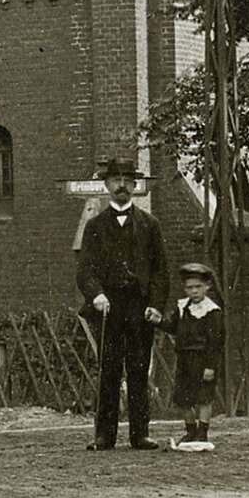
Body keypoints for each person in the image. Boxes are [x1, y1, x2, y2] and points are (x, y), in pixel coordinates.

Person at [76, 151, 170, 449]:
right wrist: (97, 295)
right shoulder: (94, 226)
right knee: (109, 370)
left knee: (139, 369)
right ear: (106, 185)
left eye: (127, 181)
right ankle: (104, 435)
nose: (122, 186)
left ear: (135, 186)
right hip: (109, 307)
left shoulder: (149, 225)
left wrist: (155, 304)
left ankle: (140, 433)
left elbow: (160, 270)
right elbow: (85, 270)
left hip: (139, 307)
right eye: (116, 180)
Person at [170, 258, 225, 448]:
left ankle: (202, 432)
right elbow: (172, 327)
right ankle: (190, 430)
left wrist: (210, 366)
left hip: (202, 360)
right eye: (189, 288)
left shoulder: (212, 312)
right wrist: (156, 320)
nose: (194, 291)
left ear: (207, 286)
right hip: (184, 359)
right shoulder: (182, 308)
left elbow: (216, 342)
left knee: (203, 397)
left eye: (198, 287)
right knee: (183, 398)